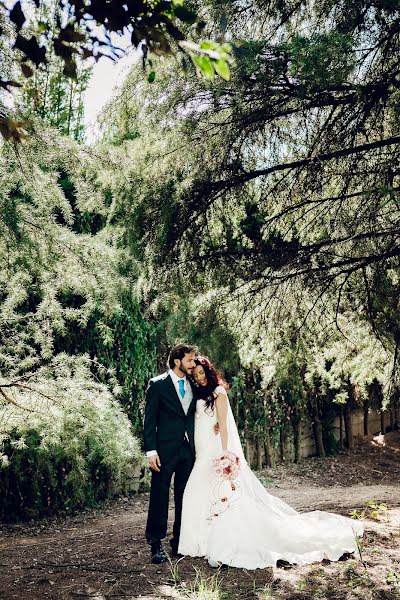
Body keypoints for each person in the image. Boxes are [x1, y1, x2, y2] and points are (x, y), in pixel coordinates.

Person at [178, 356, 364, 569]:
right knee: (199, 493)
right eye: (196, 374)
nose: (200, 377)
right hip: (202, 451)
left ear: (209, 372)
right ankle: (198, 541)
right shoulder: (199, 394)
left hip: (214, 450)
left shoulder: (218, 393)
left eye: (202, 373)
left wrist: (225, 455)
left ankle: (213, 539)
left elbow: (224, 425)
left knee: (221, 494)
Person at [143, 343, 198, 564]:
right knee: (159, 496)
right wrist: (151, 450)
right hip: (164, 451)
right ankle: (155, 544)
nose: (193, 364)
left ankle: (179, 542)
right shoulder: (157, 385)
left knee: (185, 496)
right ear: (177, 361)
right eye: (190, 360)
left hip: (188, 451)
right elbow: (149, 420)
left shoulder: (194, 384)